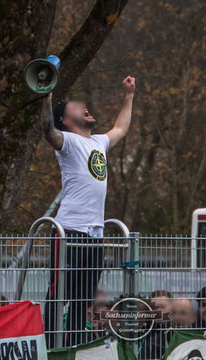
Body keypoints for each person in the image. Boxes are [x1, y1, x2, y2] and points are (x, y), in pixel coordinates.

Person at [41, 76, 136, 347]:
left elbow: (120, 128)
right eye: (76, 106)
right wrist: (46, 97)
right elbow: (47, 130)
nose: (85, 106)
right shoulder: (68, 142)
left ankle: (75, 347)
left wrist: (129, 95)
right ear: (66, 121)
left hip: (95, 235)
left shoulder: (98, 143)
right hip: (68, 232)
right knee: (59, 295)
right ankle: (51, 347)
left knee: (83, 299)